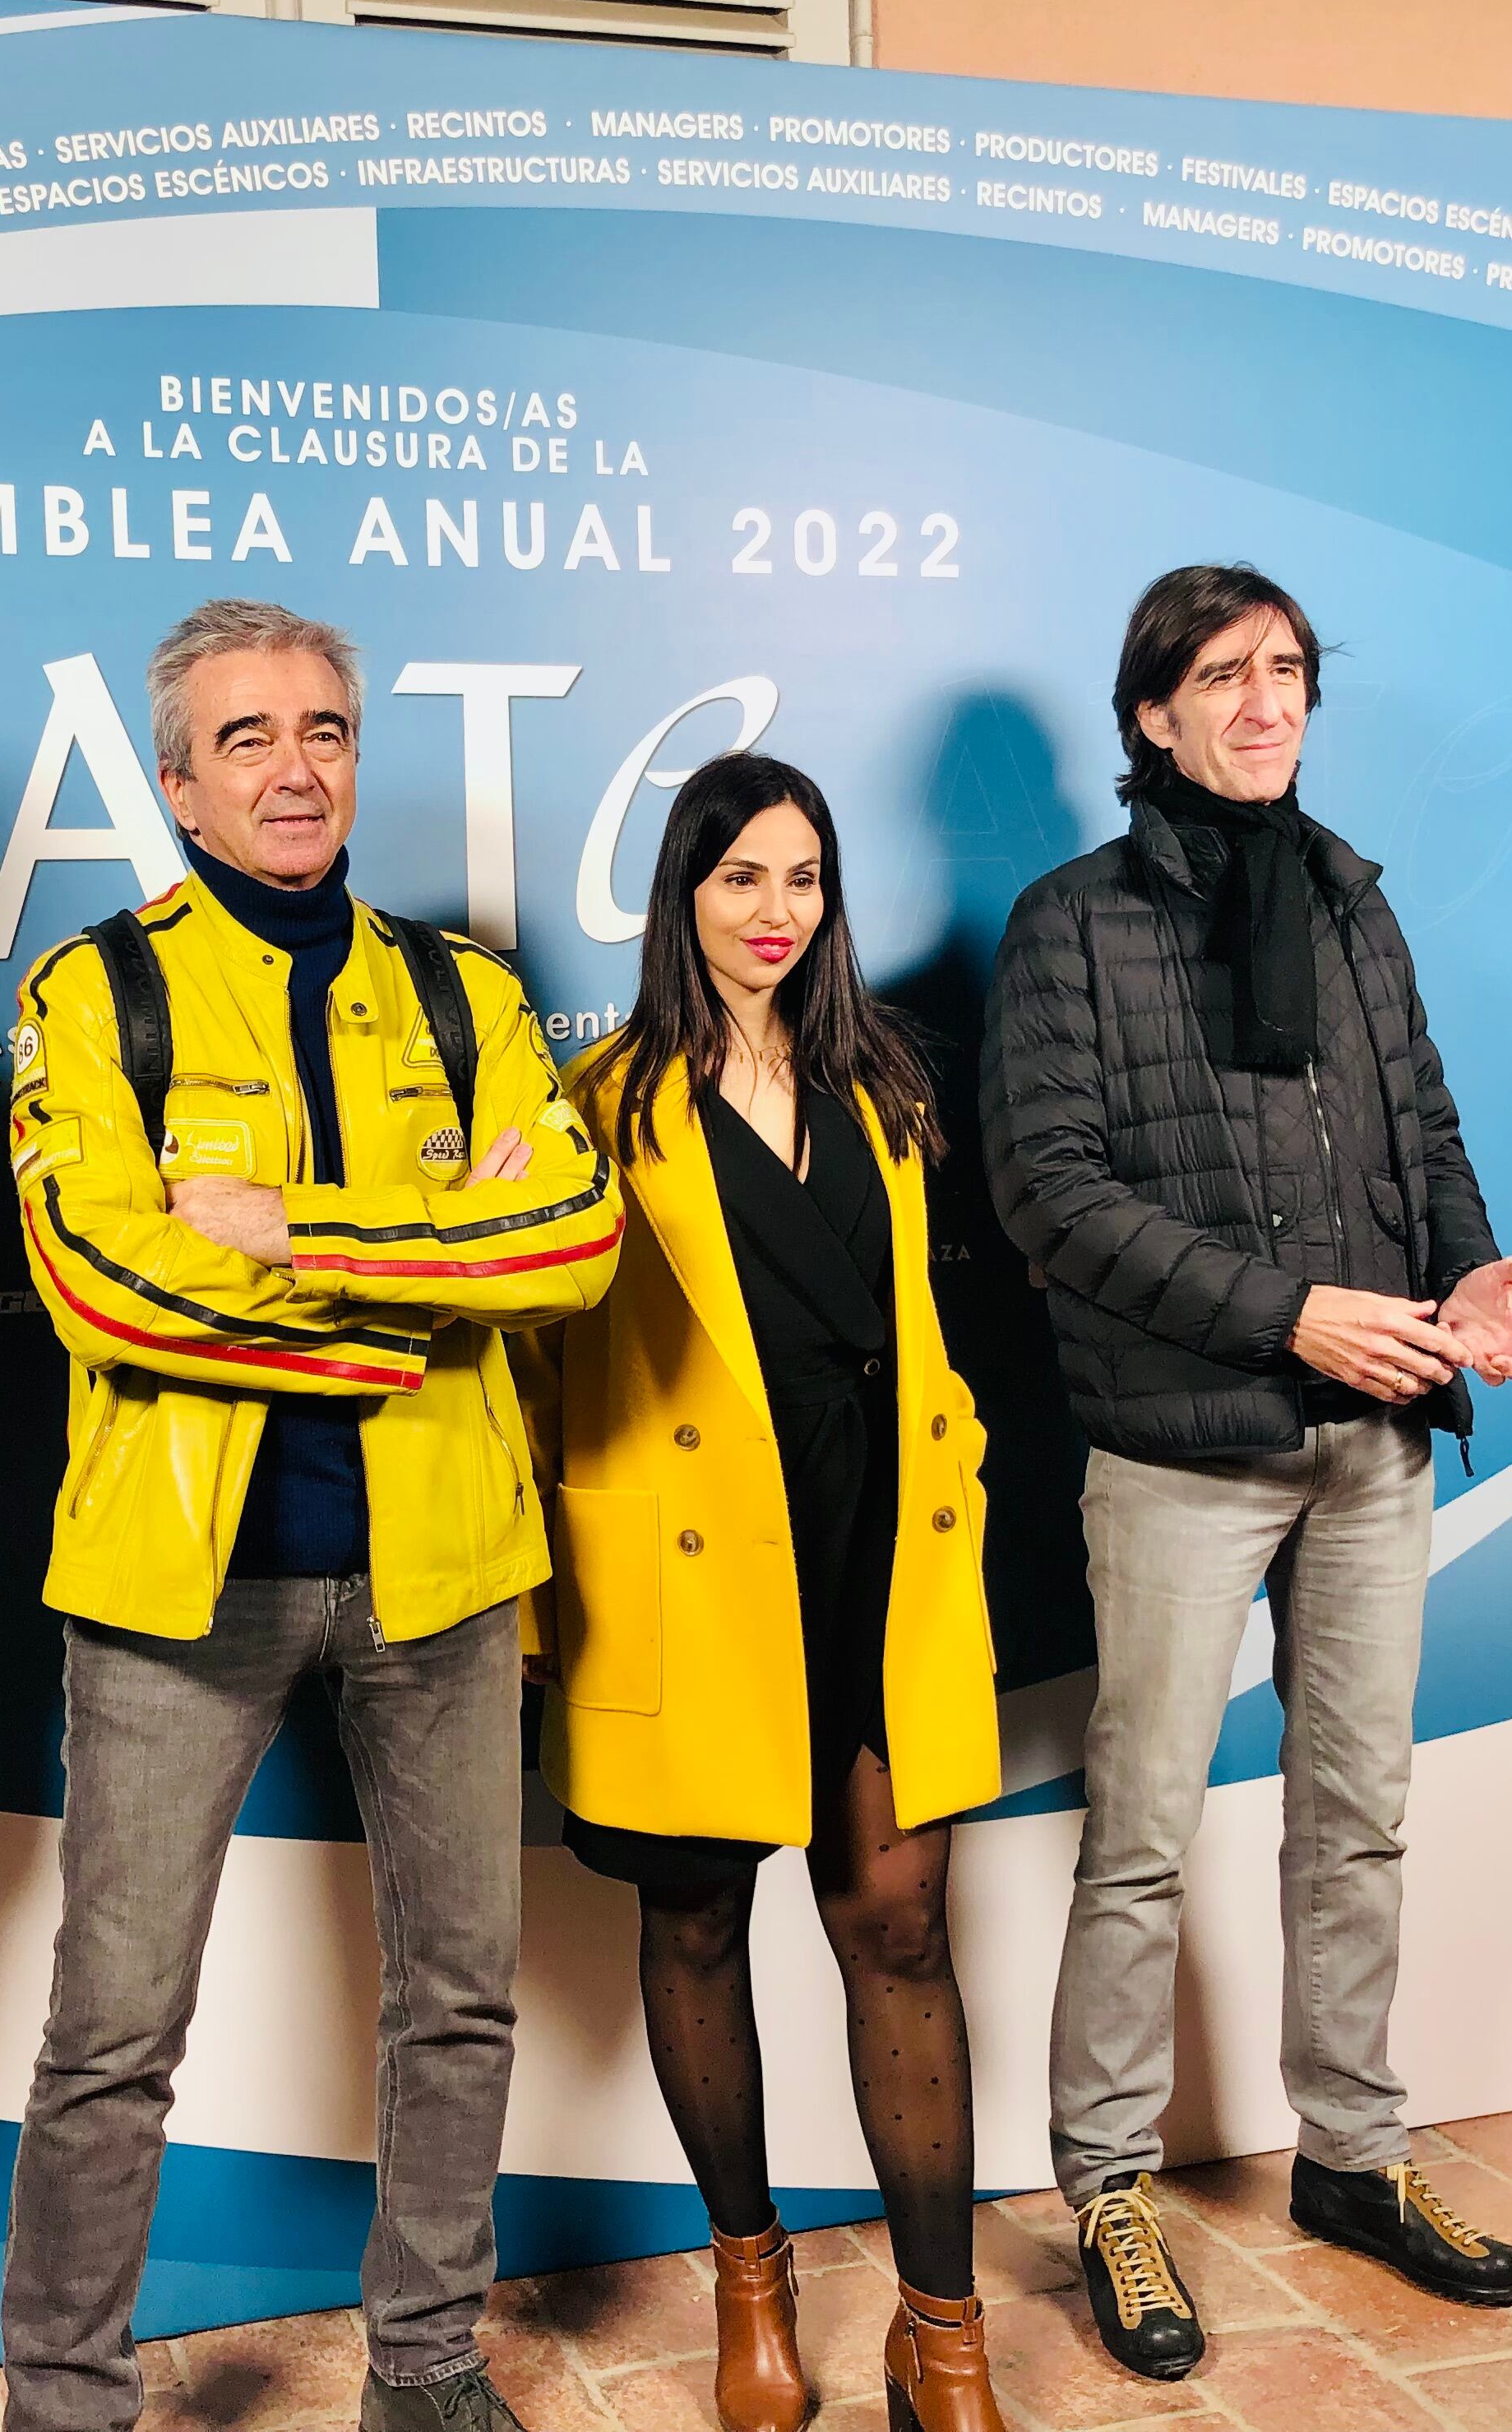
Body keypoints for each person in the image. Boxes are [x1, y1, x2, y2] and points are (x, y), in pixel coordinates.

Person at [0, 598, 622, 2432]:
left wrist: (289, 1237)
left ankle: (425, 2369)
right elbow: (105, 1288)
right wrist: (428, 1280)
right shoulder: (92, 992)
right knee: (112, 2039)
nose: (296, 766)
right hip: (174, 1588)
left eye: (326, 730)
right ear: (182, 788)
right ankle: (65, 2402)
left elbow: (574, 1248)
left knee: (463, 2000)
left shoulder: (468, 993)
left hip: (441, 1578)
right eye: (250, 737)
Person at [979, 563, 1512, 2381]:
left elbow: (1427, 1127)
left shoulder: (1356, 901)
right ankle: (1108, 2185)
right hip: (1177, 1453)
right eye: (1221, 676)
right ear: (1150, 713)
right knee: (1139, 1836)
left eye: (1288, 670)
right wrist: (1294, 1316)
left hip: (1383, 1437)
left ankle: (1357, 2157)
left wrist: (1460, 1277)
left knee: (1357, 1814)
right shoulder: (1070, 924)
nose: (1262, 702)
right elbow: (1050, 1197)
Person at [525, 753, 1007, 2432]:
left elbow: (950, 1334)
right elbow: (535, 1375)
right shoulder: (600, 1109)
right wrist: (543, 1617)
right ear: (684, 894)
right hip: (690, 1584)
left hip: (874, 1561)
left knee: (897, 1926)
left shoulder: (890, 1091)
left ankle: (942, 2335)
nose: (776, 912)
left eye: (803, 879)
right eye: (742, 878)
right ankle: (755, 2281)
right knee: (697, 1922)